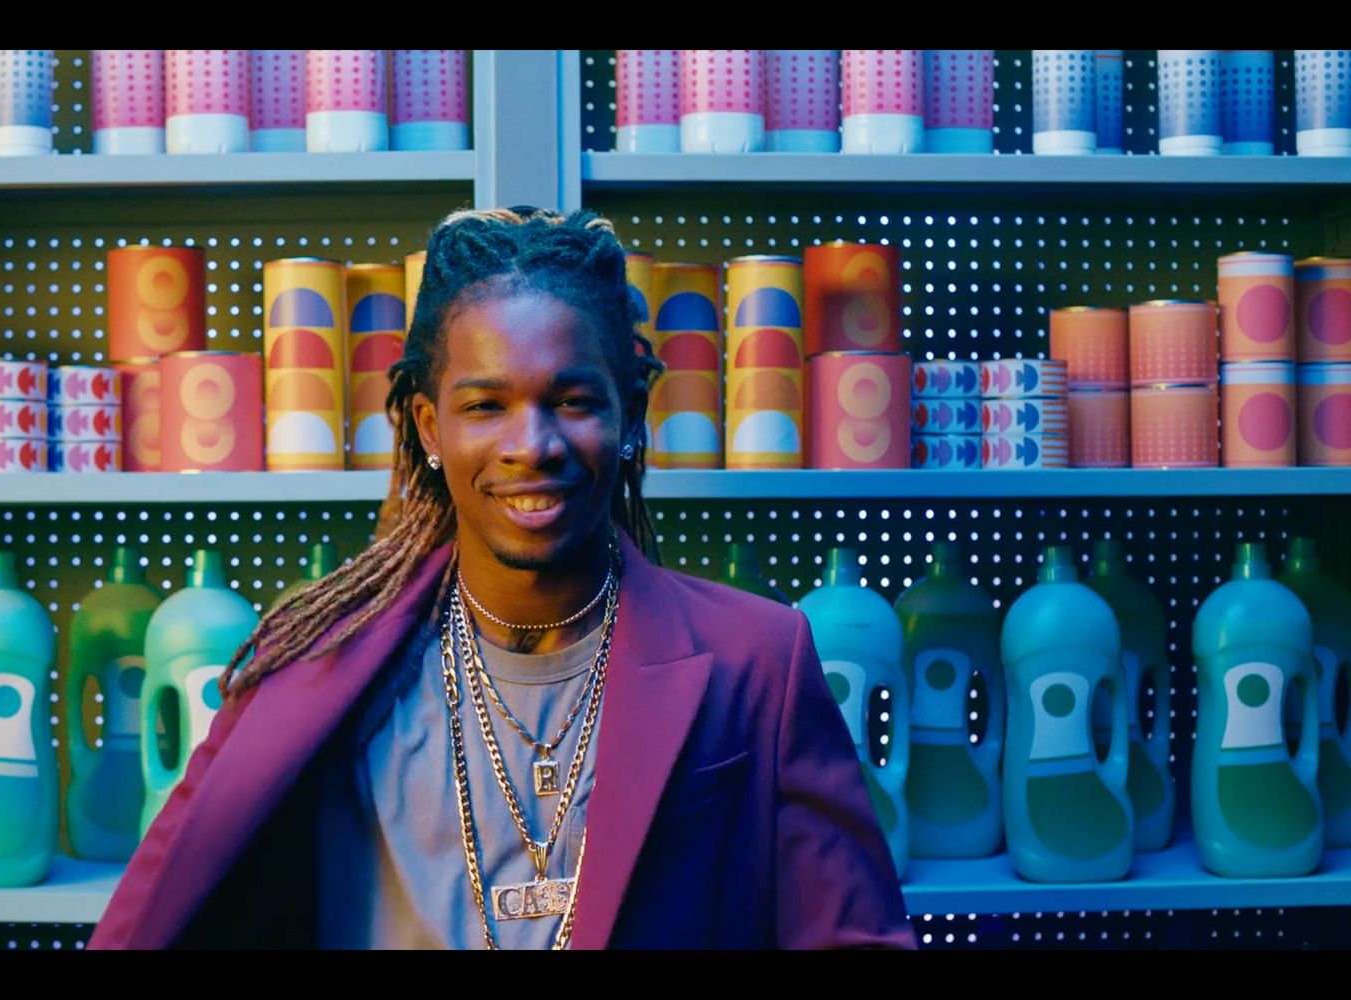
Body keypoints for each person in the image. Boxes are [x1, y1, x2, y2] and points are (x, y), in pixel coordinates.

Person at [88, 206, 913, 950]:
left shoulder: (758, 660)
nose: (533, 444)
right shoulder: (305, 659)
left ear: (630, 416)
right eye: (486, 406)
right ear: (428, 426)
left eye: (574, 400)